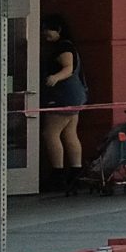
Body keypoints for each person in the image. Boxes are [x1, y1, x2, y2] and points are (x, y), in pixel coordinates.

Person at [40, 14, 86, 195]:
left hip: (62, 97)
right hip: (75, 98)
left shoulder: (63, 47)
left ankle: (57, 174)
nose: (45, 33)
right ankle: (76, 173)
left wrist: (54, 78)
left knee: (50, 133)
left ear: (58, 29)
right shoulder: (69, 45)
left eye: (47, 30)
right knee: (69, 134)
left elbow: (68, 67)